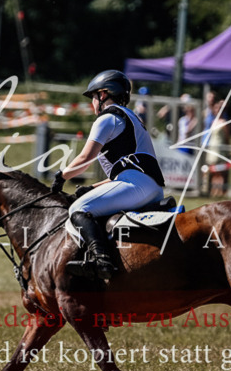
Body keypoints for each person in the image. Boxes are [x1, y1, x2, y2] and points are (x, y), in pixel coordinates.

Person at [51, 70, 166, 281]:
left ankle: (101, 261)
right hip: (151, 187)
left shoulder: (108, 118)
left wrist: (61, 175)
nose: (93, 103)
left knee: (78, 208)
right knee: (89, 201)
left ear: (103, 94)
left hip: (137, 185)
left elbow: (85, 158)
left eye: (93, 97)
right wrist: (94, 187)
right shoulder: (132, 118)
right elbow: (124, 171)